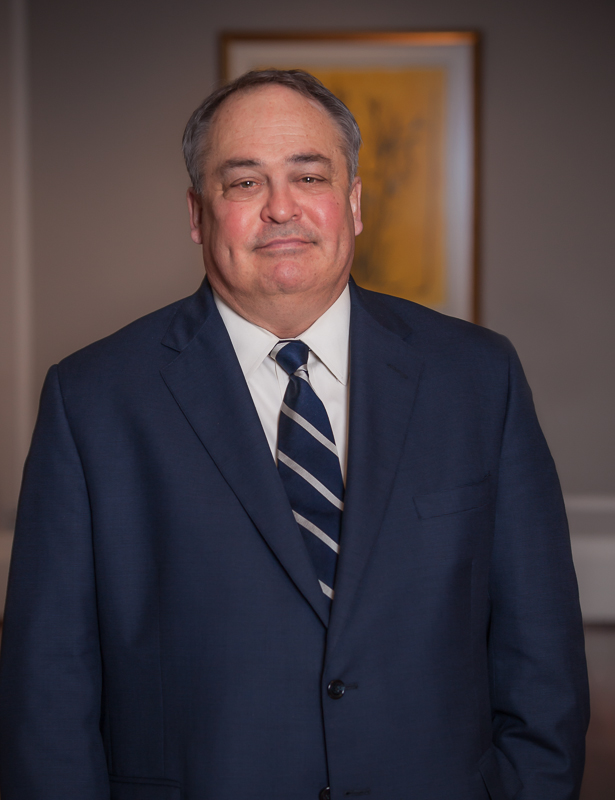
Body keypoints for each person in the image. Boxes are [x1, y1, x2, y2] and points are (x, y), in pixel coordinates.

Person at [0, 69, 589, 800]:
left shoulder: (476, 377)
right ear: (196, 213)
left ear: (352, 201)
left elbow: (541, 661)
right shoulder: (91, 399)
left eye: (308, 175)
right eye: (243, 183)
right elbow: (47, 691)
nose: (281, 208)